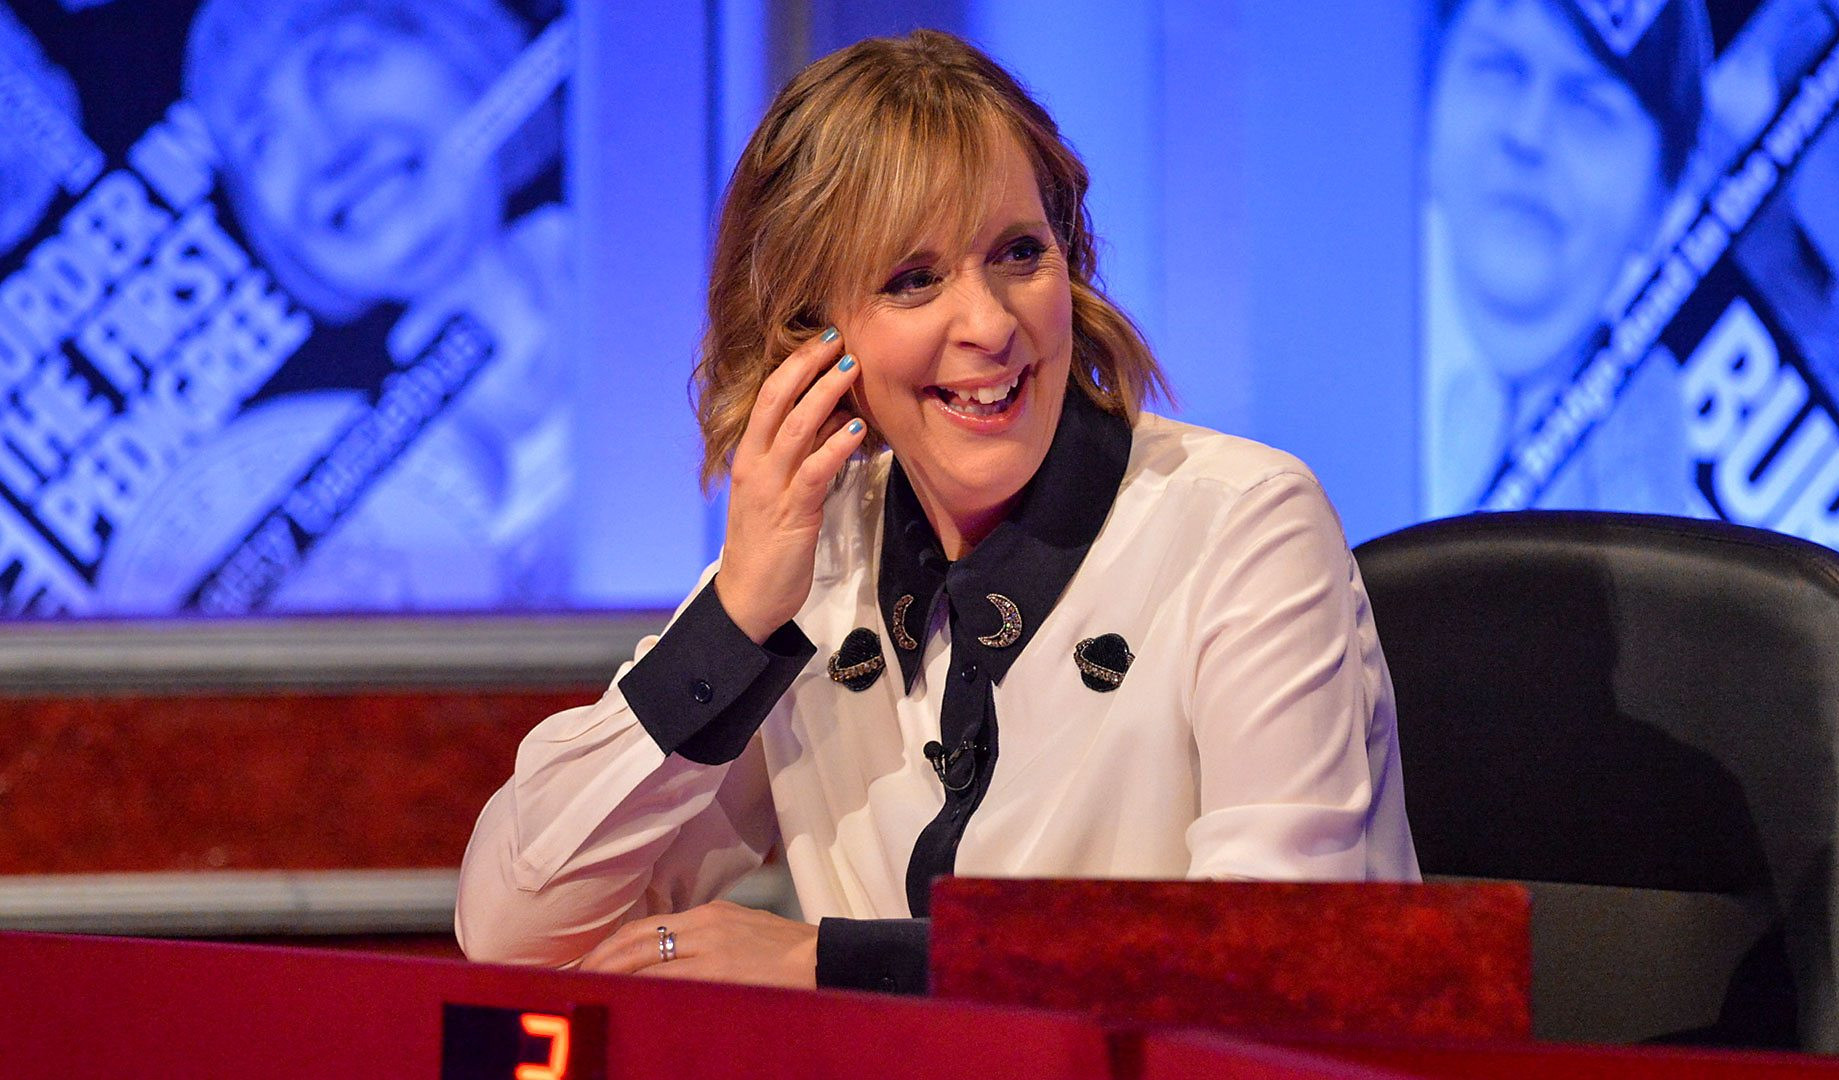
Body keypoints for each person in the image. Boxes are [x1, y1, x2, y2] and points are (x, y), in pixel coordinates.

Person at [456, 29, 1417, 993]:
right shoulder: (808, 569)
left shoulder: (1246, 525)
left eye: (1019, 254)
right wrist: (735, 618)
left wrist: (833, 967)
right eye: (914, 280)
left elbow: (1280, 956)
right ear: (810, 338)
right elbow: (512, 925)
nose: (991, 325)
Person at [141, 0, 574, 611]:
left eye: (341, 63)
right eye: (263, 138)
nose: (325, 153)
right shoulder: (359, 512)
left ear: (458, 46)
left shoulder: (684, 236)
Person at [1423, 0, 1710, 516]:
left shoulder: (1657, 429)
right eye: (1499, 69)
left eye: (1588, 108)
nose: (1527, 134)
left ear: (1663, 198)